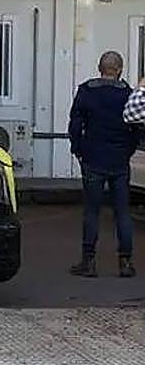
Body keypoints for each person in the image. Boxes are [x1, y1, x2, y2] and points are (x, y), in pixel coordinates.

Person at [67, 51, 137, 278]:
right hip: (119, 160)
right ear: (120, 69)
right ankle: (125, 262)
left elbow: (75, 125)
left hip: (93, 158)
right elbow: (135, 128)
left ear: (99, 68)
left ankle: (88, 262)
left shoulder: (86, 91)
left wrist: (78, 149)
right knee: (122, 212)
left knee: (92, 211)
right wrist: (127, 151)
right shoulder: (128, 94)